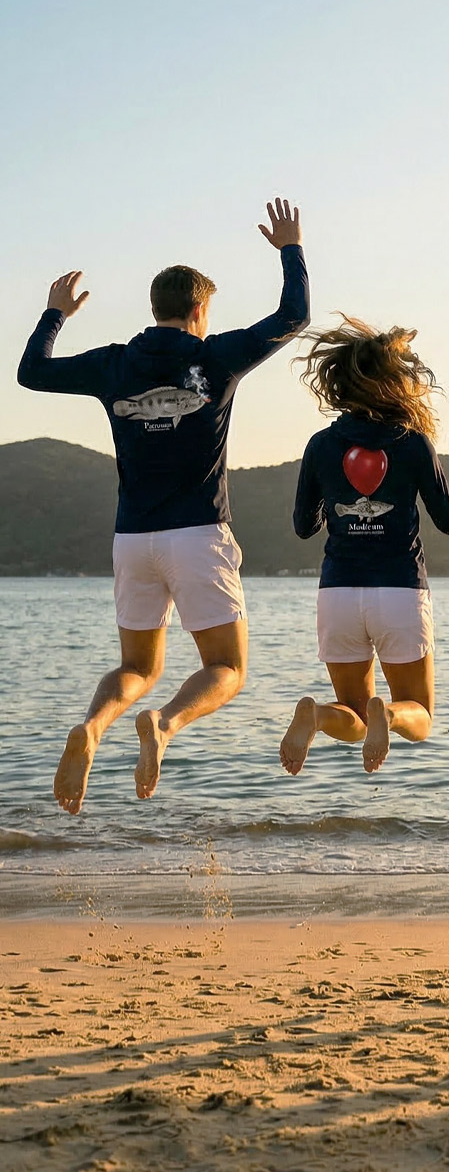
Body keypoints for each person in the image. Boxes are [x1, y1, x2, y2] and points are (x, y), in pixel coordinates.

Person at [17, 198, 310, 812]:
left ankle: (94, 728)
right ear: (200, 310)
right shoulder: (215, 357)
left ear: (155, 308)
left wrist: (54, 313)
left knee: (136, 666)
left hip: (134, 539)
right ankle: (166, 725)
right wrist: (291, 249)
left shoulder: (114, 363)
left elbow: (32, 373)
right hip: (198, 535)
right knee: (226, 667)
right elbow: (294, 315)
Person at [281, 320, 449, 773]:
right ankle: (387, 713)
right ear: (395, 382)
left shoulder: (321, 445)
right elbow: (448, 521)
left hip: (339, 594)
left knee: (350, 713)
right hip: (399, 590)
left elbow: (303, 527)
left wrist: (340, 502)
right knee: (420, 714)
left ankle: (318, 716)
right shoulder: (412, 444)